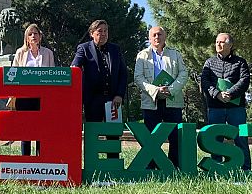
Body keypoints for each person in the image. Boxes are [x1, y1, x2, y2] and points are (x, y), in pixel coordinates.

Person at [71, 20, 128, 159]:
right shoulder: (84, 48)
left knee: (113, 134)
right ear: (92, 34)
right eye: (99, 31)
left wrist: (120, 94)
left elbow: (123, 73)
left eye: (105, 31)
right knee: (93, 135)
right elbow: (74, 68)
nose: (103, 34)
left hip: (113, 100)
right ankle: (92, 165)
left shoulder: (115, 49)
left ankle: (113, 165)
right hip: (93, 100)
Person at [134, 26, 188, 167]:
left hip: (173, 101)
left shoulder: (175, 54)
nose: (157, 37)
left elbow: (183, 74)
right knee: (150, 137)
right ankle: (152, 167)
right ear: (149, 38)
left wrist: (171, 90)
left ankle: (174, 166)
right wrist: (155, 90)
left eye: (160, 34)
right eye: (154, 35)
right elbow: (138, 78)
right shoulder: (142, 55)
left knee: (175, 137)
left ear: (165, 36)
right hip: (151, 102)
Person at [201, 32, 251, 170]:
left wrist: (230, 93)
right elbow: (205, 82)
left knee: (240, 138)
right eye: (217, 41)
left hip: (236, 107)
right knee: (215, 139)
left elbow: (244, 80)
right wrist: (217, 94)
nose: (218, 44)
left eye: (222, 42)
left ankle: (245, 169)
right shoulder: (209, 62)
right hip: (215, 107)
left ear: (230, 45)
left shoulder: (240, 62)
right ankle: (217, 168)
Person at [12, 24, 56, 156]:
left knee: (40, 131)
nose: (33, 36)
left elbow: (52, 74)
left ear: (40, 36)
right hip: (24, 98)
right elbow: (14, 73)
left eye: (35, 33)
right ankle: (25, 159)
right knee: (26, 132)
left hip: (42, 98)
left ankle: (40, 159)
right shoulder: (20, 53)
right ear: (26, 37)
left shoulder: (48, 53)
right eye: (30, 34)